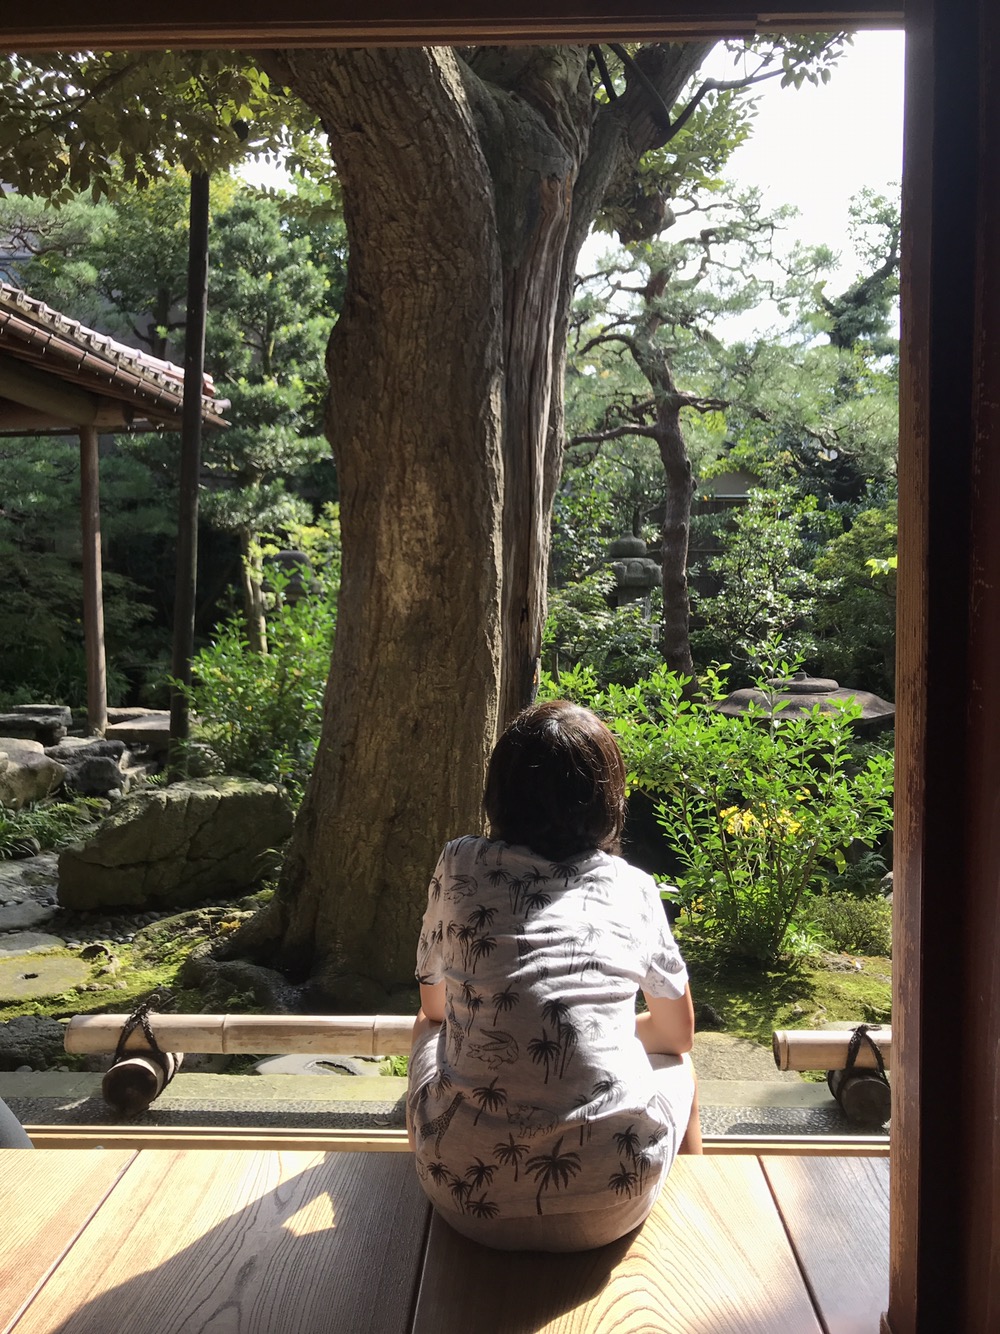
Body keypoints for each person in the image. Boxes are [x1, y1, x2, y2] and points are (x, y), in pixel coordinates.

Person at [406, 699, 701, 1252]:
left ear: (500, 792)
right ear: (607, 799)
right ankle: (699, 1208)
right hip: (612, 1203)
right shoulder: (633, 886)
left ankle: (434, 1159)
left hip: (467, 1203)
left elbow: (436, 1008)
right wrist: (594, 1030)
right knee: (675, 1064)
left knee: (426, 1030)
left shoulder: (459, 862)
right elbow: (677, 1035)